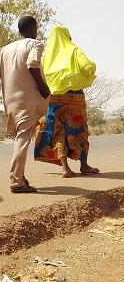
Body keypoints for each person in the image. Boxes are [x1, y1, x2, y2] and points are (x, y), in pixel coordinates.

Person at [0, 16, 50, 193]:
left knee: (20, 138)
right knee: (22, 140)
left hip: (11, 102)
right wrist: (44, 88)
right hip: (28, 100)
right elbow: (32, 65)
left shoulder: (5, 49)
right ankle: (16, 182)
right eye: (36, 27)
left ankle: (20, 177)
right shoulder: (35, 44)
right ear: (32, 28)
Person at [34, 25, 100, 177]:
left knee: (58, 132)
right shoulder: (73, 50)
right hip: (74, 98)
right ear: (67, 36)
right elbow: (88, 66)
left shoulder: (45, 56)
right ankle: (84, 165)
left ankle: (65, 169)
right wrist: (87, 71)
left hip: (53, 99)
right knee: (80, 130)